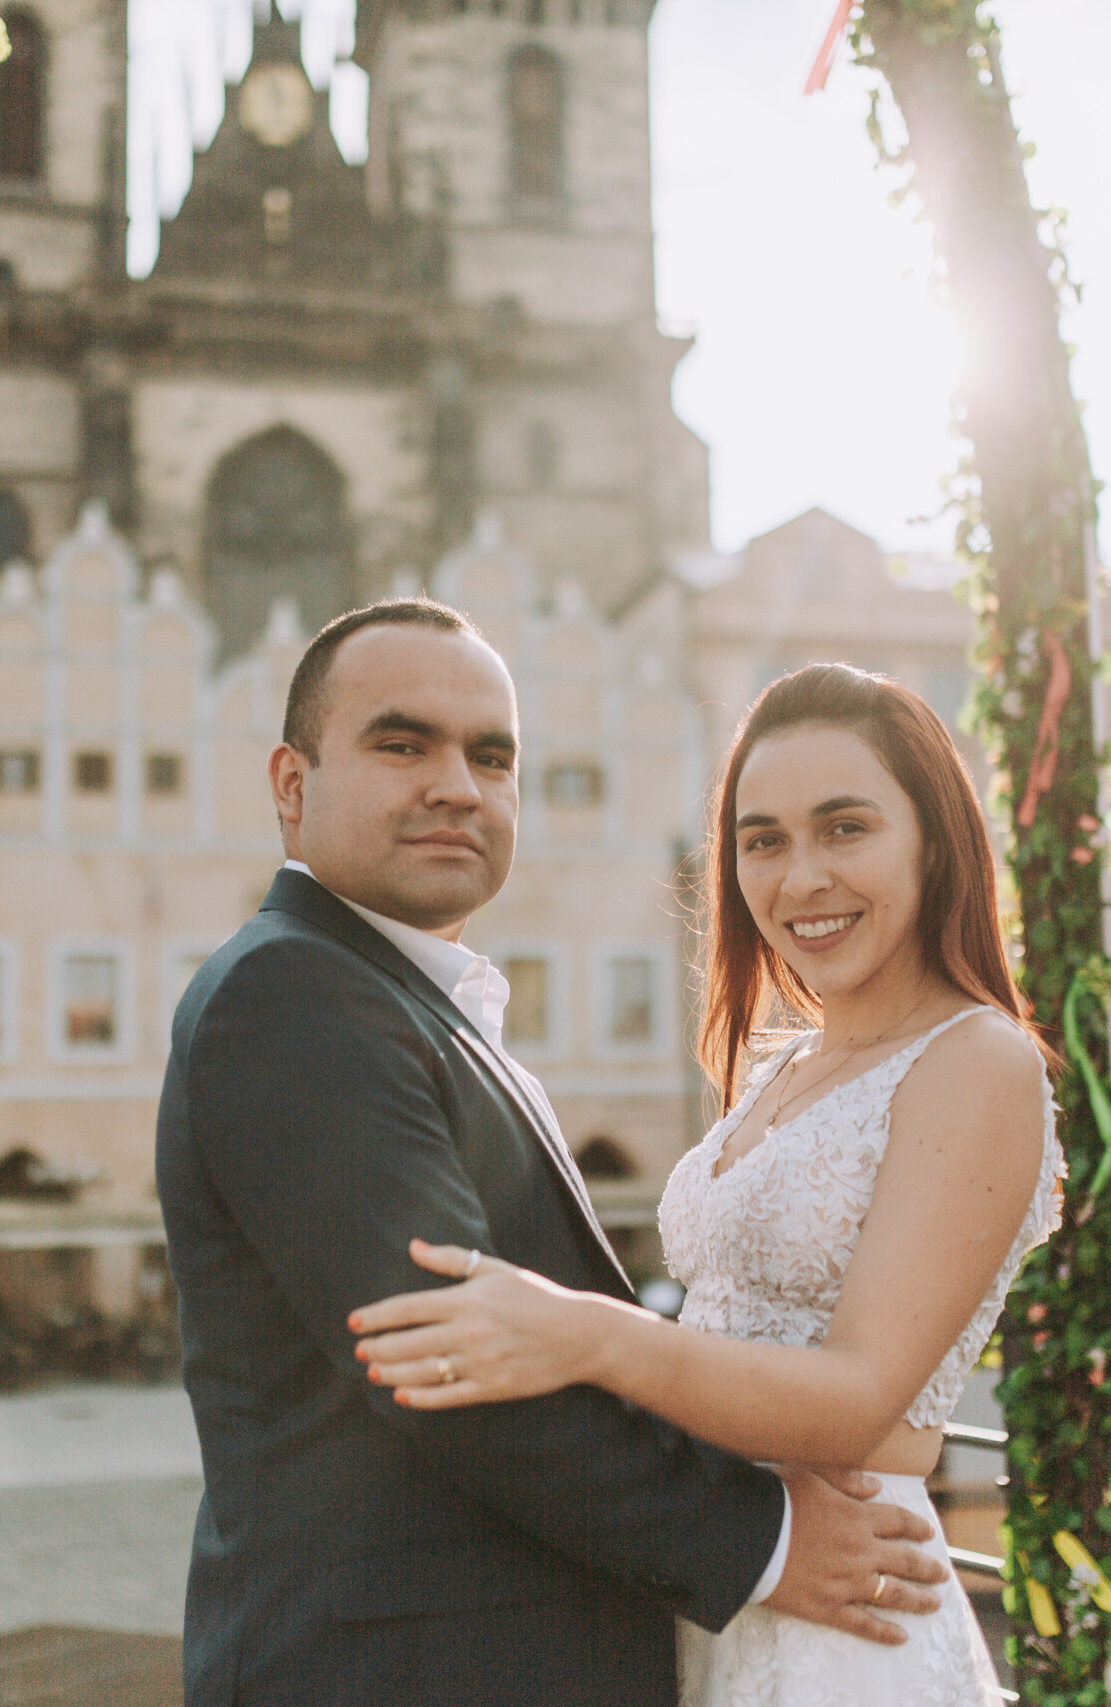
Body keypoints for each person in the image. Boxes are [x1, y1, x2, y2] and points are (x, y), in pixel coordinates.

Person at [156, 607, 953, 1706]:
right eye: (403, 745)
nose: (456, 785)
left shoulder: (391, 996)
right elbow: (448, 1364)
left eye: (491, 756)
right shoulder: (293, 997)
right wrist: (762, 1541)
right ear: (291, 785)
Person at [350, 662, 1065, 1706]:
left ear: (934, 840)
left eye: (845, 828)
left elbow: (860, 1402)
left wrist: (589, 1334)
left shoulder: (977, 1062)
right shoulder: (781, 1064)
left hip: (849, 1616)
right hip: (723, 1579)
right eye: (762, 839)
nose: (799, 877)